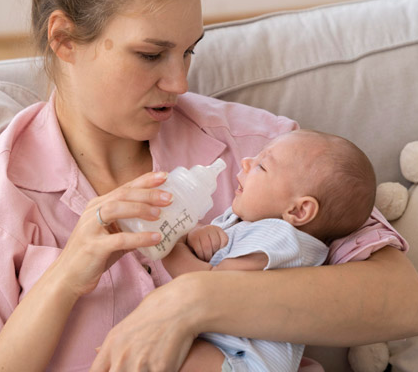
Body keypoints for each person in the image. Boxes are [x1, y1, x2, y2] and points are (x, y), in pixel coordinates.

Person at [0, 0, 418, 371]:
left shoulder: (261, 153)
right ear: (64, 39)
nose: (178, 81)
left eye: (188, 52)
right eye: (151, 55)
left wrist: (190, 302)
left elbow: (403, 302)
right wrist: (63, 278)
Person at [161, 129, 378, 372]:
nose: (246, 161)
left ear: (298, 211)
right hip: (222, 350)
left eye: (262, 166)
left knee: (164, 357)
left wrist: (170, 249)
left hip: (241, 360)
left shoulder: (282, 237)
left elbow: (213, 287)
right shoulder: (247, 221)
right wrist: (196, 233)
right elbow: (216, 254)